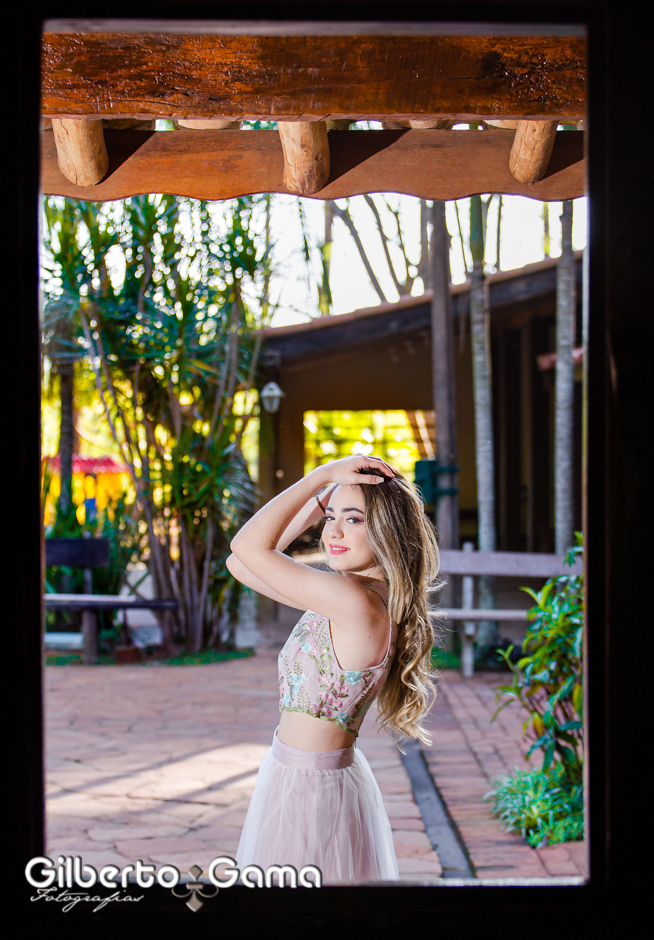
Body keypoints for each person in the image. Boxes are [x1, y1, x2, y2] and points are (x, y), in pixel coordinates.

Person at [226, 454, 441, 885]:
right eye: (329, 517)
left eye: (354, 519)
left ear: (387, 529)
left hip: (310, 790)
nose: (332, 532)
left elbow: (245, 547)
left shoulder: (353, 603)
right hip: (298, 776)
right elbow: (240, 565)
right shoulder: (354, 595)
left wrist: (320, 476)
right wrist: (324, 493)